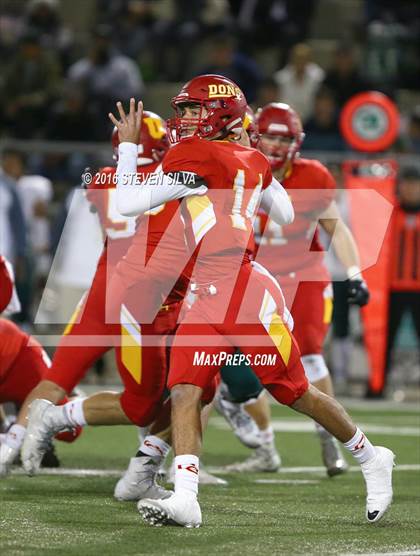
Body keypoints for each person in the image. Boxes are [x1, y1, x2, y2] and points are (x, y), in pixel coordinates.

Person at [108, 77, 393, 528]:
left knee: (295, 392)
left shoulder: (193, 155)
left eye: (194, 110)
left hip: (242, 291)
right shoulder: (255, 160)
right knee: (185, 390)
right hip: (209, 290)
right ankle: (186, 498)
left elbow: (126, 202)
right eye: (183, 111)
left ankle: (371, 456)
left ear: (219, 114)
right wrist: (246, 162)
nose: (184, 119)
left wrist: (127, 147)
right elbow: (280, 212)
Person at [218, 102, 371, 476]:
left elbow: (336, 227)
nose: (274, 144)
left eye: (283, 137)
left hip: (305, 277)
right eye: (268, 134)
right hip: (255, 276)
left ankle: (328, 438)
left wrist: (354, 273)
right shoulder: (236, 166)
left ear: (297, 142)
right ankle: (263, 442)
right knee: (232, 359)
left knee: (311, 356)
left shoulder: (313, 175)